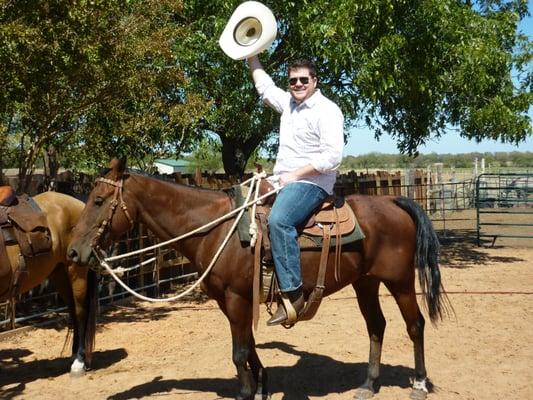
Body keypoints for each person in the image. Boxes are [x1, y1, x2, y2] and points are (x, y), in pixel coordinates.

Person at [247, 55, 344, 325]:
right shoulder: (288, 105)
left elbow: (332, 157)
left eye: (304, 79)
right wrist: (251, 55)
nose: (298, 84)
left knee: (279, 221)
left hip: (312, 183)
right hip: (284, 179)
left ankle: (293, 295)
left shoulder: (327, 110)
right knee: (244, 207)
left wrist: (294, 175)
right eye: (293, 81)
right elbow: (264, 86)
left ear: (314, 81)